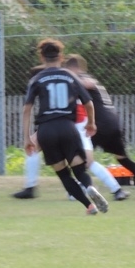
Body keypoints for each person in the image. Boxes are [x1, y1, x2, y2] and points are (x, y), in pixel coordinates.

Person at [22, 39, 110, 215]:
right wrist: (91, 123)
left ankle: (89, 206)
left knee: (63, 174)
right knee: (79, 170)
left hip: (46, 131)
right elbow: (88, 103)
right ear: (61, 57)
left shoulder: (37, 79)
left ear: (42, 57)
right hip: (67, 128)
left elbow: (27, 109)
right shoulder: (70, 76)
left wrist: (27, 138)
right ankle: (89, 187)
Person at [63, 55, 135, 199]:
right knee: (123, 159)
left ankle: (83, 192)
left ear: (72, 68)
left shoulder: (83, 79)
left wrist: (68, 77)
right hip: (113, 122)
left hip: (100, 124)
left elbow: (88, 84)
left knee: (81, 159)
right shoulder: (85, 81)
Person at [12, 64, 45, 199]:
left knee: (32, 148)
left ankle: (30, 187)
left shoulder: (40, 81)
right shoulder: (64, 78)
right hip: (69, 123)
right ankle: (77, 189)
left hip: (52, 123)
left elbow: (27, 109)